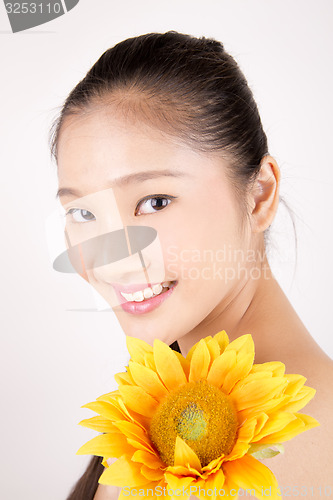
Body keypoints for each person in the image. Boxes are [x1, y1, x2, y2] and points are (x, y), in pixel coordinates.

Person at [49, 31, 333, 500]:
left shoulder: (296, 456)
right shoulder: (153, 419)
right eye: (83, 213)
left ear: (259, 193)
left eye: (154, 201)